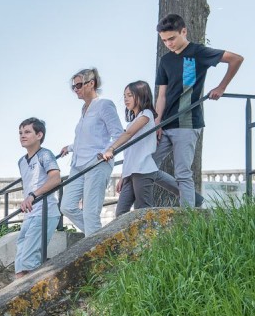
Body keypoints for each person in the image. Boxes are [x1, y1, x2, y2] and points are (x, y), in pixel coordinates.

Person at [152, 13, 244, 207]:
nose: (168, 43)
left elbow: (236, 59)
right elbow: (161, 95)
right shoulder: (165, 60)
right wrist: (157, 123)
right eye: (164, 40)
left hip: (188, 122)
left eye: (172, 38)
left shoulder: (198, 52)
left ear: (183, 31)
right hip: (166, 123)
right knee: (145, 166)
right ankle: (194, 199)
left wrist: (221, 88)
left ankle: (187, 218)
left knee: (183, 172)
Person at [59, 68, 123, 237]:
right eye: (73, 86)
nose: (76, 90)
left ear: (91, 83)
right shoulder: (84, 109)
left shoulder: (104, 105)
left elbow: (118, 134)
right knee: (66, 206)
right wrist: (70, 147)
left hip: (97, 163)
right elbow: (88, 137)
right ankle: (99, 238)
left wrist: (108, 151)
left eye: (79, 85)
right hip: (78, 164)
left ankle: (95, 253)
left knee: (90, 213)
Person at [101, 81, 159, 215]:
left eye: (130, 95)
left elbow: (128, 134)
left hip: (142, 170)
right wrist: (123, 176)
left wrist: (111, 149)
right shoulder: (134, 120)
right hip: (130, 173)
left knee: (143, 211)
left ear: (141, 95)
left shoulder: (146, 114)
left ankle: (150, 237)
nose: (126, 99)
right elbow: (129, 153)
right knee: (120, 213)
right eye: (124, 96)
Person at [15, 118, 61, 278]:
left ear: (39, 134)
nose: (22, 135)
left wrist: (33, 195)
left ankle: (36, 298)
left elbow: (56, 178)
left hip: (45, 212)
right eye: (20, 133)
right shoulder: (21, 161)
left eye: (27, 132)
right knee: (19, 267)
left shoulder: (45, 155)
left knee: (29, 261)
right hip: (30, 214)